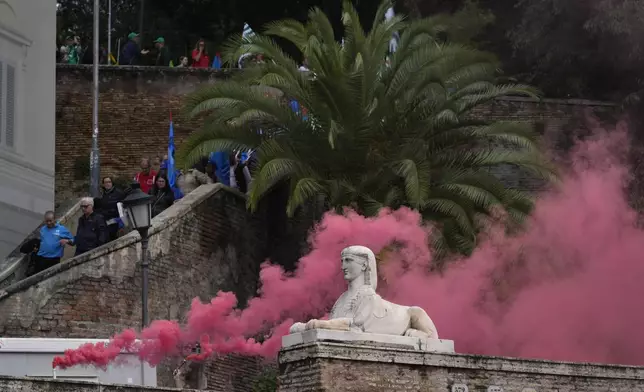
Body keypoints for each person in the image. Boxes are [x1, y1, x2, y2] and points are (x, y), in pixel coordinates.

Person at [26, 211, 74, 276]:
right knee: (38, 278)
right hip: (41, 258)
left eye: (50, 221)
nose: (48, 223)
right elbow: (43, 241)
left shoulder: (61, 229)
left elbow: (73, 241)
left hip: (53, 259)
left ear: (55, 219)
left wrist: (67, 241)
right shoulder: (43, 229)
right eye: (47, 221)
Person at [100, 177, 126, 241]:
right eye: (106, 182)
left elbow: (123, 208)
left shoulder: (119, 193)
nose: (108, 184)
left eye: (109, 182)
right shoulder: (102, 195)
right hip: (106, 222)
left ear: (112, 183)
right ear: (103, 184)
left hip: (117, 223)